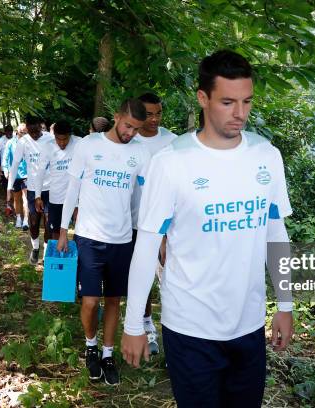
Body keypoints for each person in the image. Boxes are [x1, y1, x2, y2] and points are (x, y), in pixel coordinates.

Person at [121, 50, 294, 407]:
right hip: (190, 328)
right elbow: (147, 246)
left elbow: (275, 235)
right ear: (203, 98)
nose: (240, 114)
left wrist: (286, 303)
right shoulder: (171, 163)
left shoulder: (266, 156)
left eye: (247, 101)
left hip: (248, 325)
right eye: (228, 102)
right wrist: (134, 323)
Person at [56, 99, 150, 385]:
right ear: (117, 117)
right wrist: (63, 230)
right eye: (128, 125)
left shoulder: (141, 153)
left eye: (136, 129)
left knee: (113, 300)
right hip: (89, 236)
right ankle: (91, 346)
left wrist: (143, 232)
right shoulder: (89, 145)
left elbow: (141, 198)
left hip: (122, 239)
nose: (131, 132)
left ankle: (108, 354)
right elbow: (73, 187)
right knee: (90, 300)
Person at [132, 92, 178, 355]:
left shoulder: (172, 142)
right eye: (148, 114)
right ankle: (146, 324)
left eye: (158, 113)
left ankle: (174, 333)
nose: (154, 119)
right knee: (144, 276)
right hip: (137, 223)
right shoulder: (131, 141)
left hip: (170, 226)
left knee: (169, 277)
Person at [7, 116, 54, 264]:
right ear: (27, 128)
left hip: (51, 188)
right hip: (33, 188)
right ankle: (35, 248)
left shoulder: (50, 139)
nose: (34, 134)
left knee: (48, 223)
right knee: (33, 222)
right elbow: (14, 165)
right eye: (31, 131)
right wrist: (9, 187)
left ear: (41, 127)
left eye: (36, 131)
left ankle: (46, 254)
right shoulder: (23, 142)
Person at [34, 120, 81, 240]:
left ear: (70, 135)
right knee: (55, 232)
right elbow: (40, 172)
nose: (61, 143)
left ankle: (76, 257)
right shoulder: (48, 146)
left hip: (78, 196)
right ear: (54, 136)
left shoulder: (80, 143)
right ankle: (57, 257)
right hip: (56, 197)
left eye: (65, 139)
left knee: (81, 230)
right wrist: (37, 196)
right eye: (58, 139)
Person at [3, 123, 28, 229]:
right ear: (17, 131)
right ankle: (18, 218)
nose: (23, 133)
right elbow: (5, 157)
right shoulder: (10, 143)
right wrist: (6, 170)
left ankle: (26, 220)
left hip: (26, 174)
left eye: (25, 132)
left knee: (26, 198)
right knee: (17, 198)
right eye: (21, 132)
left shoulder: (29, 143)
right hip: (14, 174)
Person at [0, 125, 13, 191]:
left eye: (11, 133)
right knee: (5, 183)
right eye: (8, 133)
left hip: (13, 165)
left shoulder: (14, 139)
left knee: (13, 184)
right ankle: (7, 197)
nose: (9, 135)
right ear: (5, 132)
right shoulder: (0, 140)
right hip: (4, 166)